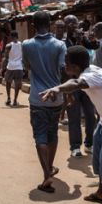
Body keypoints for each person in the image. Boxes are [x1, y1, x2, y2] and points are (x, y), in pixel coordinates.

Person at [40, 46, 102, 204]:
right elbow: (78, 82)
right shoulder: (91, 69)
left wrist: (57, 89)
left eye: (66, 63)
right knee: (97, 160)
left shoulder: (89, 76)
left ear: (75, 66)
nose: (64, 66)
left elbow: (76, 84)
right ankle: (101, 192)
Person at [22, 11, 67, 193]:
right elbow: (63, 70)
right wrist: (65, 92)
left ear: (33, 25)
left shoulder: (27, 45)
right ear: (50, 24)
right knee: (52, 133)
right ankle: (50, 167)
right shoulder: (60, 45)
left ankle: (47, 173)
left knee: (40, 136)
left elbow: (27, 67)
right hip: (56, 97)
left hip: (37, 98)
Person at [64, 15, 97, 157]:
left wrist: (90, 38)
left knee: (90, 114)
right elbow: (70, 55)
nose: (73, 24)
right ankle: (75, 146)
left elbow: (95, 46)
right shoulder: (63, 41)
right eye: (70, 22)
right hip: (71, 82)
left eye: (75, 22)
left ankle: (89, 143)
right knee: (74, 115)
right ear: (66, 25)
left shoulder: (83, 38)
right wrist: (77, 41)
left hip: (85, 81)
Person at [2, 31, 23, 107]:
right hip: (19, 66)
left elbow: (6, 57)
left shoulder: (8, 45)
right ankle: (15, 100)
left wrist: (2, 67)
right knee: (17, 84)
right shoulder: (22, 44)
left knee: (8, 82)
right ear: (17, 36)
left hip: (10, 66)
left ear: (11, 37)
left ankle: (8, 98)